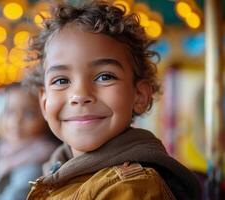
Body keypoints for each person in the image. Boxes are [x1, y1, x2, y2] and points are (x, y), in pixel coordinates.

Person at [24, 1, 201, 199]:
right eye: (61, 80)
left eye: (105, 77)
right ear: (44, 101)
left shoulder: (129, 188)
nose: (80, 95)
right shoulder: (56, 168)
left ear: (140, 95)